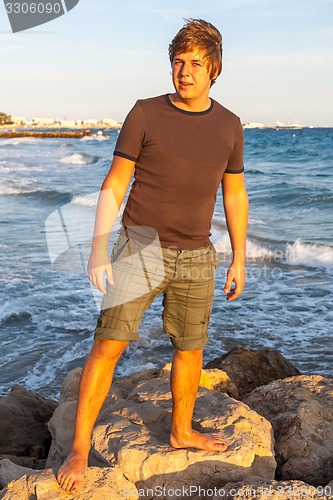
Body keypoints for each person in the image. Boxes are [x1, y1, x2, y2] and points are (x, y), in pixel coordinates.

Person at [57, 18, 248, 494]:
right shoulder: (144, 112)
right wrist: (99, 247)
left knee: (190, 347)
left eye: (195, 63)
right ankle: (78, 448)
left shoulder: (229, 125)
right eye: (178, 62)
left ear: (214, 70)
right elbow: (116, 183)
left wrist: (238, 257)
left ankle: (182, 430)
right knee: (109, 343)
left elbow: (236, 193)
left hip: (198, 255)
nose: (184, 71)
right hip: (139, 248)